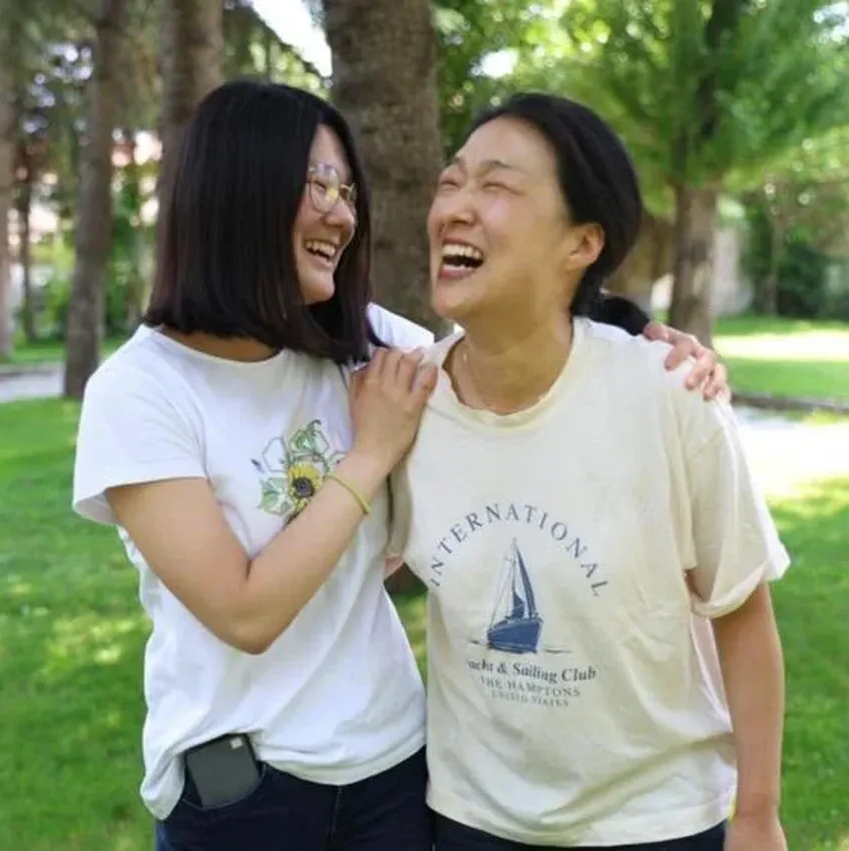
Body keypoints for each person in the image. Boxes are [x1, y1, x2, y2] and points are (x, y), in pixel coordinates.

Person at [71, 80, 730, 851]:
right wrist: (371, 451)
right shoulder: (140, 390)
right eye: (317, 183)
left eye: (346, 189)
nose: (342, 213)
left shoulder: (365, 342)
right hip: (246, 798)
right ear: (237, 186)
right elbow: (244, 612)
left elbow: (508, 327)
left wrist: (640, 329)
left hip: (395, 771)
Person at [388, 92, 789, 851]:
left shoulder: (670, 394)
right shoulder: (402, 407)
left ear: (582, 243)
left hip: (658, 821)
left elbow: (742, 612)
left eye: (496, 186)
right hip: (474, 821)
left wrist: (758, 813)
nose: (456, 208)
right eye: (451, 182)